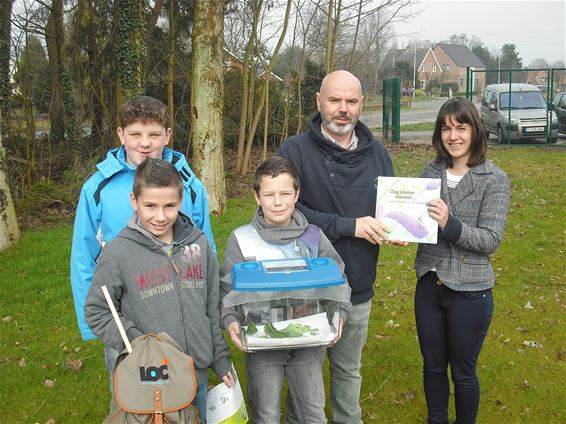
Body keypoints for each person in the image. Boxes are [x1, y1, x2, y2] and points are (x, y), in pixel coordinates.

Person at [277, 70, 397, 424]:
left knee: (348, 371)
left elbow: (387, 211)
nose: (342, 109)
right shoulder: (293, 151)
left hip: (357, 286)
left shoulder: (378, 154)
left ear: (361, 103)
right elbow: (287, 214)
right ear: (319, 102)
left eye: (351, 101)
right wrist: (350, 226)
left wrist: (400, 226)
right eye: (334, 100)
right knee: (303, 375)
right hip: (306, 287)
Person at [84, 158, 233, 421]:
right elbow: (97, 310)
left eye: (170, 206)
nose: (160, 216)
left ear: (181, 199)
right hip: (152, 378)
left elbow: (211, 306)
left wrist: (220, 358)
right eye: (150, 206)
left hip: (195, 372)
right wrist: (137, 343)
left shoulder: (199, 245)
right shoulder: (119, 252)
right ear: (134, 200)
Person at [71, 95, 216, 343]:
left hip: (182, 312)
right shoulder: (97, 188)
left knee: (190, 377)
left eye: (154, 135)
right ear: (121, 134)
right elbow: (84, 258)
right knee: (134, 379)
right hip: (127, 316)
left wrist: (210, 313)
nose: (145, 144)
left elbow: (206, 250)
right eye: (136, 134)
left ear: (168, 135)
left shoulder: (190, 185)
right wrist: (91, 324)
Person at [219, 156, 352, 424]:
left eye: (285, 193)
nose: (277, 202)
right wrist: (231, 319)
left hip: (308, 344)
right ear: (257, 196)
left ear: (297, 194)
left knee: (313, 414)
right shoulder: (242, 239)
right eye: (269, 194)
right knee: (266, 416)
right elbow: (227, 287)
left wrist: (340, 314)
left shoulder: (314, 236)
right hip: (262, 345)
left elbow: (338, 280)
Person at [414, 97, 510, 424]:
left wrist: (450, 225)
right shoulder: (430, 172)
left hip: (470, 291)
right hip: (429, 284)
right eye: (446, 128)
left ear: (475, 131)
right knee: (433, 365)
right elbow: (418, 224)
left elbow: (490, 239)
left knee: (464, 372)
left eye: (461, 127)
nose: (453, 135)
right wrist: (402, 229)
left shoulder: (493, 179)